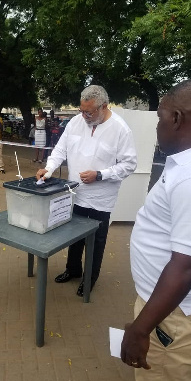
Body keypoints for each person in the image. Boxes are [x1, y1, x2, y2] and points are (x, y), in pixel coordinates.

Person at [121, 79, 191, 381]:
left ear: (176, 119)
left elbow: (187, 267)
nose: (157, 127)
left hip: (177, 317)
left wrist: (141, 329)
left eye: (160, 117)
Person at [36, 85, 137, 296]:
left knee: (96, 240)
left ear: (104, 107)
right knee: (74, 236)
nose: (84, 116)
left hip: (101, 198)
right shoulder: (76, 122)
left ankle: (90, 278)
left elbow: (129, 164)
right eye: (81, 111)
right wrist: (49, 167)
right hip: (75, 193)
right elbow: (60, 149)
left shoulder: (120, 129)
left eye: (88, 112)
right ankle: (72, 270)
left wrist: (100, 174)